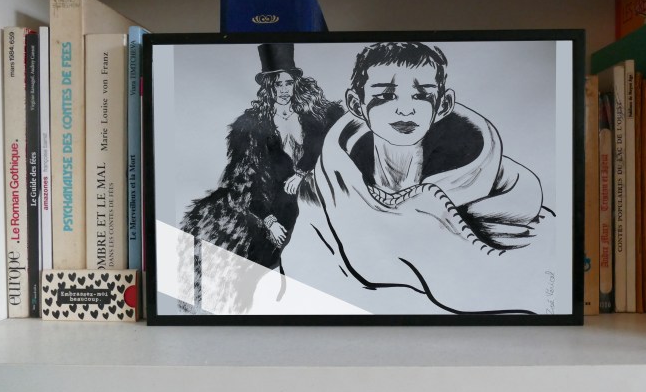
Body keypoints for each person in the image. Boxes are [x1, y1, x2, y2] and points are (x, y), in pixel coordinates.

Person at [279, 41, 555, 314]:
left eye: (421, 95)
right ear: (356, 103)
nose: (405, 109)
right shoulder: (321, 192)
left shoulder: (515, 204)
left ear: (443, 104)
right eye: (385, 95)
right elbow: (302, 287)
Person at [180, 42, 344, 272]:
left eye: (288, 83)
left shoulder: (315, 115)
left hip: (316, 199)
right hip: (272, 207)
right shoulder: (251, 127)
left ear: (295, 84)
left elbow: (331, 143)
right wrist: (270, 222)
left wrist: (301, 173)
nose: (284, 90)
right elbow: (244, 184)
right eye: (278, 84)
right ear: (268, 87)